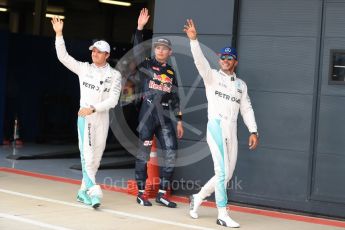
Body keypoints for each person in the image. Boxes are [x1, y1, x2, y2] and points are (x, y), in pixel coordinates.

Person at [184, 19, 259, 228]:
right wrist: (193, 40)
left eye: (229, 57)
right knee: (222, 172)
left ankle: (197, 198)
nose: (225, 59)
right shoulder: (212, 77)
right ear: (219, 60)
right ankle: (222, 214)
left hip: (232, 130)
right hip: (216, 126)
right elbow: (200, 62)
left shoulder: (241, 85)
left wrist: (253, 130)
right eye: (222, 57)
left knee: (225, 176)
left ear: (235, 61)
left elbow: (247, 109)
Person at [51, 17, 122, 208]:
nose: (95, 54)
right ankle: (94, 191)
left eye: (99, 52)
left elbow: (113, 101)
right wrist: (59, 34)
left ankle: (83, 192)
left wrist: (95, 108)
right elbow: (63, 57)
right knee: (87, 156)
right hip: (85, 118)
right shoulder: (83, 69)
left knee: (96, 159)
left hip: (101, 117)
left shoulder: (115, 75)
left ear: (107, 54)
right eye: (93, 51)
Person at [133, 8, 184, 208]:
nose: (161, 50)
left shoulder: (171, 72)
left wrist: (179, 120)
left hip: (165, 118)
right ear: (155, 50)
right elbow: (136, 51)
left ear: (170, 52)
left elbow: (176, 97)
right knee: (143, 155)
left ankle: (162, 194)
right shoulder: (146, 65)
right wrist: (139, 28)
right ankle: (140, 193)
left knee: (171, 152)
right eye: (158, 48)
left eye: (165, 48)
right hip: (147, 116)